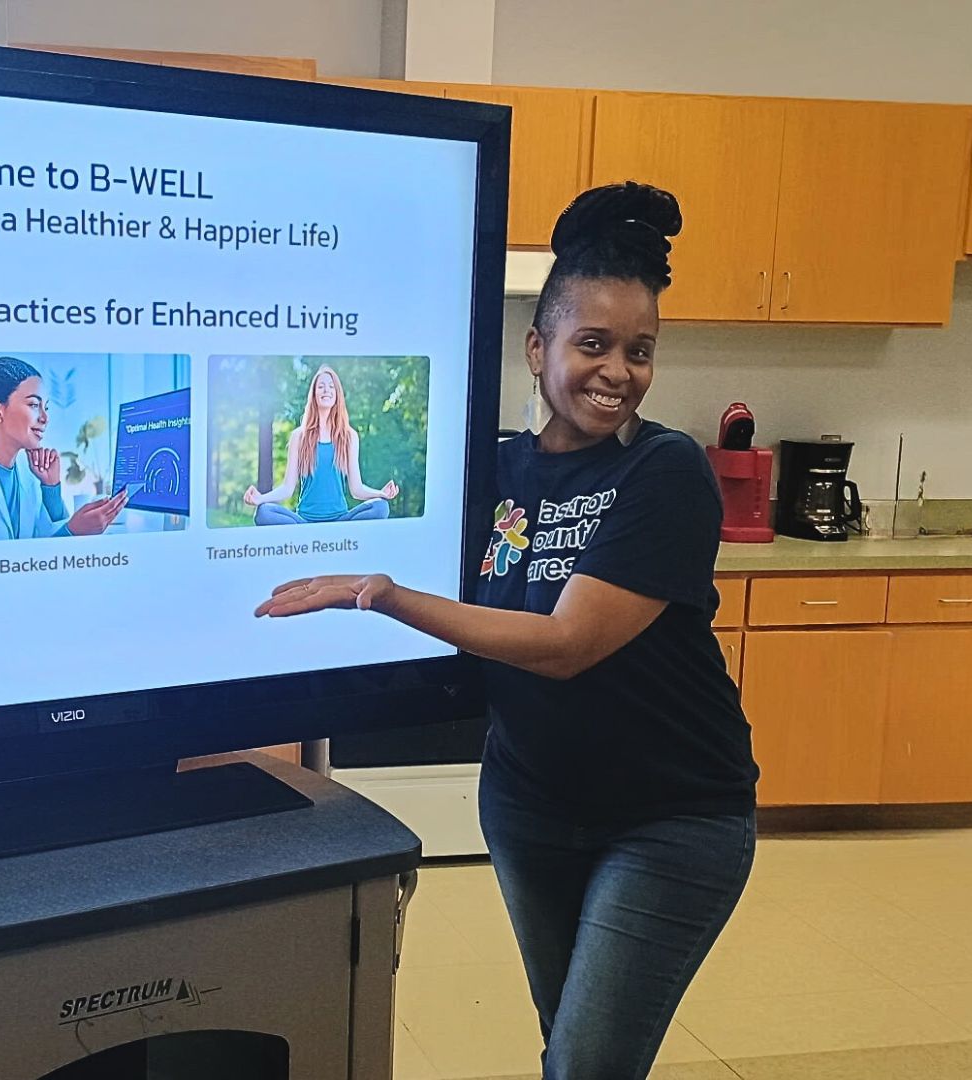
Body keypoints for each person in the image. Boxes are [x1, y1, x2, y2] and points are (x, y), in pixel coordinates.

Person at [256, 182, 757, 1080]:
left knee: (588, 1062)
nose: (617, 372)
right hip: (532, 804)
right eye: (592, 343)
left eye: (639, 351)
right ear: (538, 348)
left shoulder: (667, 470)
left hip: (671, 815)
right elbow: (383, 525)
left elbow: (566, 644)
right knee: (567, 1037)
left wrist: (381, 593)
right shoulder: (490, 469)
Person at [0, 356, 127, 542]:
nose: (45, 418)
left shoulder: (27, 475)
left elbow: (49, 549)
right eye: (34, 404)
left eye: (46, 407)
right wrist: (73, 532)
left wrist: (51, 488)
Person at [244, 364, 400, 524]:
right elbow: (287, 488)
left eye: (332, 386)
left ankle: (335, 534)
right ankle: (308, 534)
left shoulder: (349, 436)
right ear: (314, 395)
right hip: (305, 521)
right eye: (321, 386)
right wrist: (261, 498)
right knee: (264, 512)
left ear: (337, 394)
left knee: (381, 507)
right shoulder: (299, 436)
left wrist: (381, 494)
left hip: (340, 520)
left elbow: (357, 489)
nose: (327, 390)